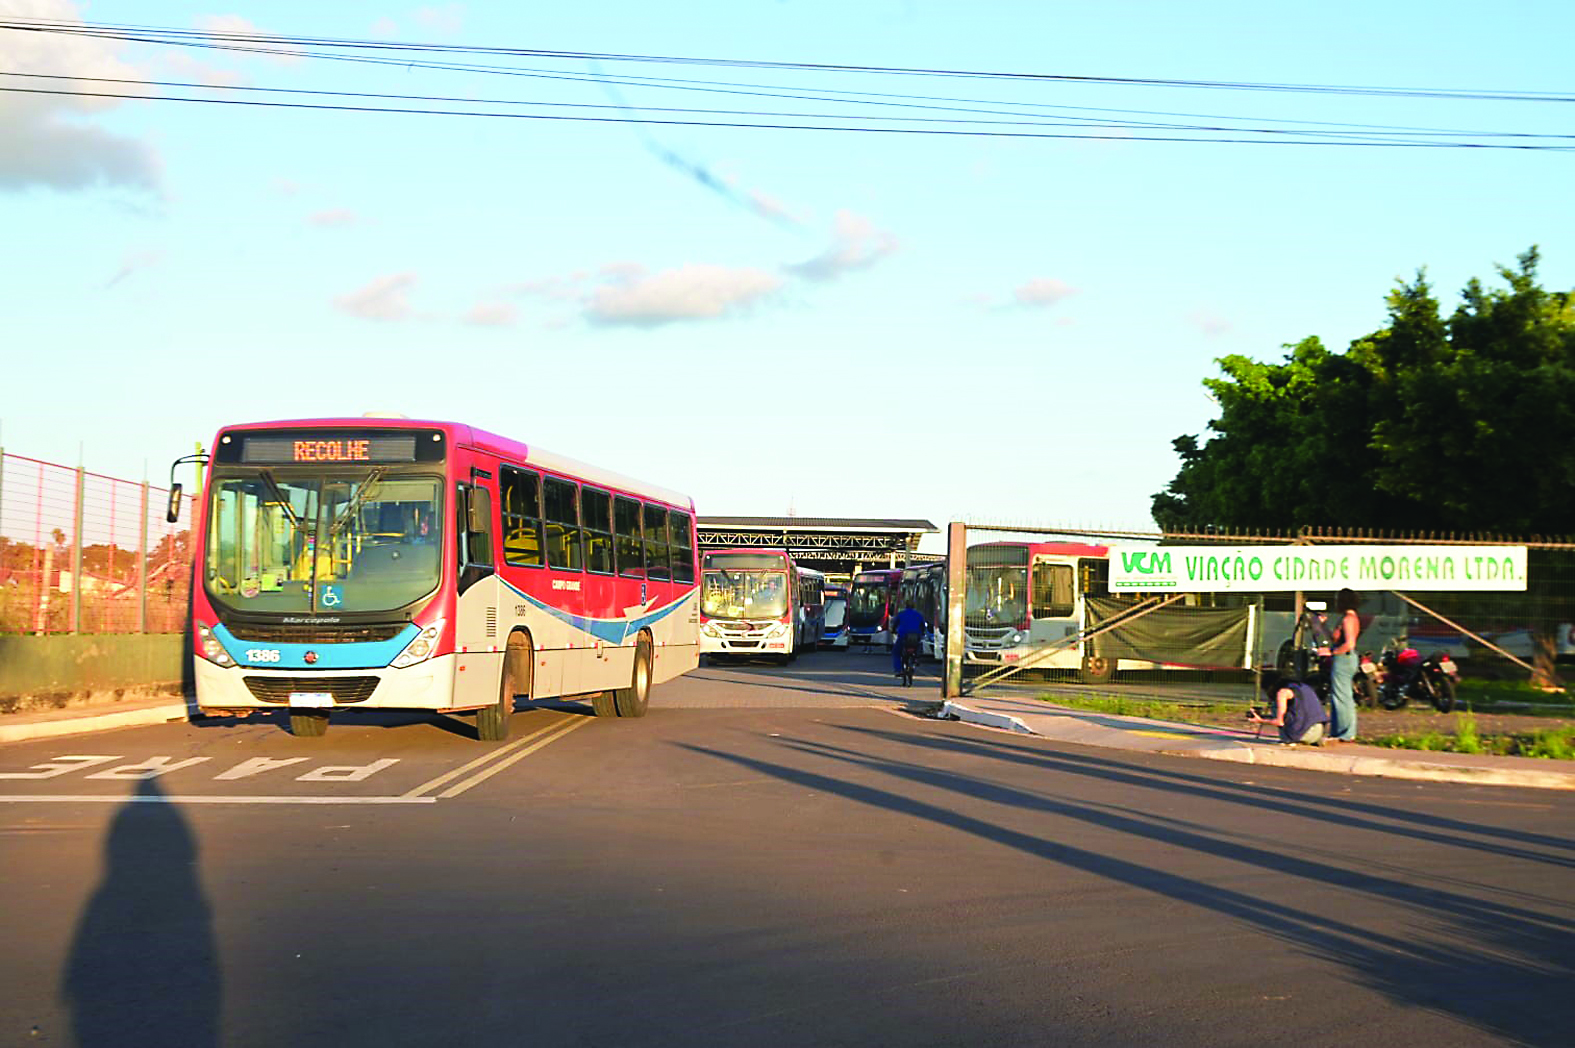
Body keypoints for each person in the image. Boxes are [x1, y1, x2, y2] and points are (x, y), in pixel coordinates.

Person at [1319, 588, 1362, 743]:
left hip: (1344, 659)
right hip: (1342, 658)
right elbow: (1335, 638)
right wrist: (1323, 626)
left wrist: (1331, 652)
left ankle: (1346, 732)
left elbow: (1349, 644)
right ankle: (1338, 731)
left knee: (1342, 696)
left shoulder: (1348, 619)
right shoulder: (1346, 618)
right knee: (1339, 695)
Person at [1248, 672, 1329, 745]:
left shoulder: (1282, 692)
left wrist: (1260, 720)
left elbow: (1279, 722)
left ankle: (1288, 739)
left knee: (1275, 706)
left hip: (1303, 734)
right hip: (1318, 732)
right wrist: (1263, 716)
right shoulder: (1302, 687)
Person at [891, 601, 927, 677]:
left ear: (905, 606)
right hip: (916, 636)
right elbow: (923, 626)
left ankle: (899, 670)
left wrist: (893, 630)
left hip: (903, 636)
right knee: (918, 646)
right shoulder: (919, 614)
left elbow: (895, 624)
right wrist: (922, 633)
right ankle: (916, 659)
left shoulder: (901, 614)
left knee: (896, 653)